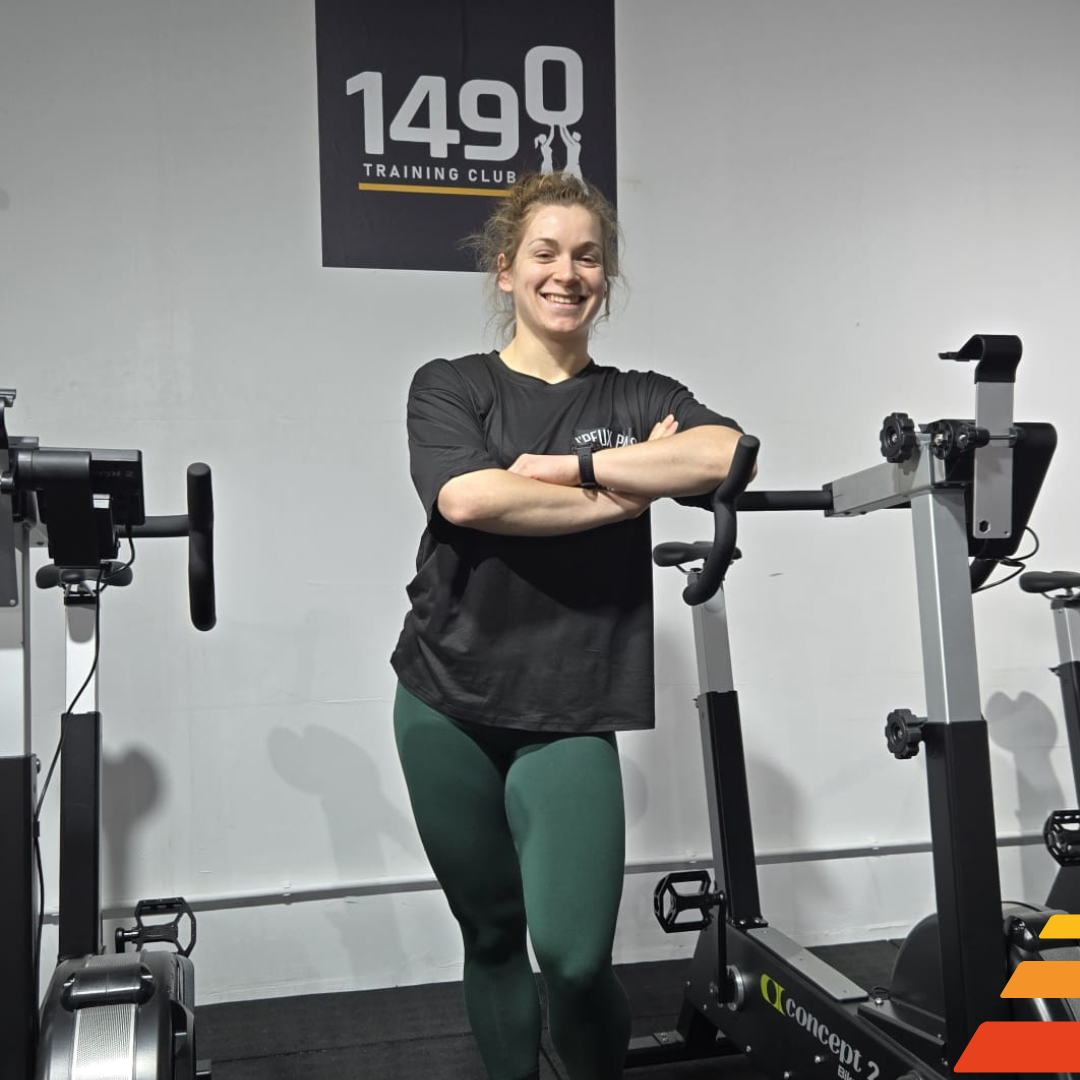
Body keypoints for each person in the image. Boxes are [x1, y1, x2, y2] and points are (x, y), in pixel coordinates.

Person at [390, 172, 746, 1080]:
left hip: (572, 709)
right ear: (505, 271)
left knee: (577, 960)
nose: (567, 272)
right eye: (545, 253)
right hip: (445, 701)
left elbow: (724, 451)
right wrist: (621, 491)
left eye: (588, 256)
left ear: (606, 277)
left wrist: (552, 469)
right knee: (494, 933)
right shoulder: (451, 386)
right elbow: (469, 497)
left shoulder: (634, 394)